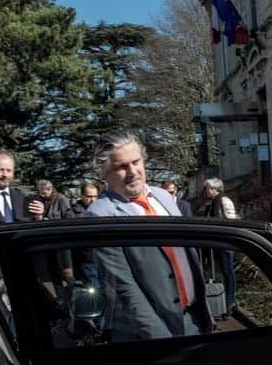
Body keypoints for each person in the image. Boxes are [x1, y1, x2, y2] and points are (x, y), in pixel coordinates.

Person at [85, 132, 211, 341]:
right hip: (147, 335)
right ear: (104, 173)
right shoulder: (101, 215)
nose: (133, 171)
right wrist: (160, 339)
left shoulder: (163, 197)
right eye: (121, 167)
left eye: (136, 162)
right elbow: (124, 289)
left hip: (192, 321)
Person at [202, 177, 238, 309]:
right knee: (223, 271)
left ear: (213, 189)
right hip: (216, 243)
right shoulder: (210, 203)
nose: (205, 191)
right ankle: (224, 300)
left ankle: (230, 300)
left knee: (228, 271)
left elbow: (231, 222)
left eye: (207, 188)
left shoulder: (224, 201)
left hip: (225, 242)